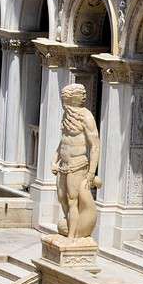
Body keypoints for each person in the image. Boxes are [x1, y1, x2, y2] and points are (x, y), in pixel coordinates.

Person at [54, 83, 101, 239]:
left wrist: (91, 173)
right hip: (63, 164)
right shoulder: (66, 114)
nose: (84, 96)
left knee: (72, 199)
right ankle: (71, 226)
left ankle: (72, 236)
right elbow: (63, 140)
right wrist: (55, 160)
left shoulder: (86, 116)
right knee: (61, 197)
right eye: (81, 94)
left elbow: (95, 145)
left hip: (77, 163)